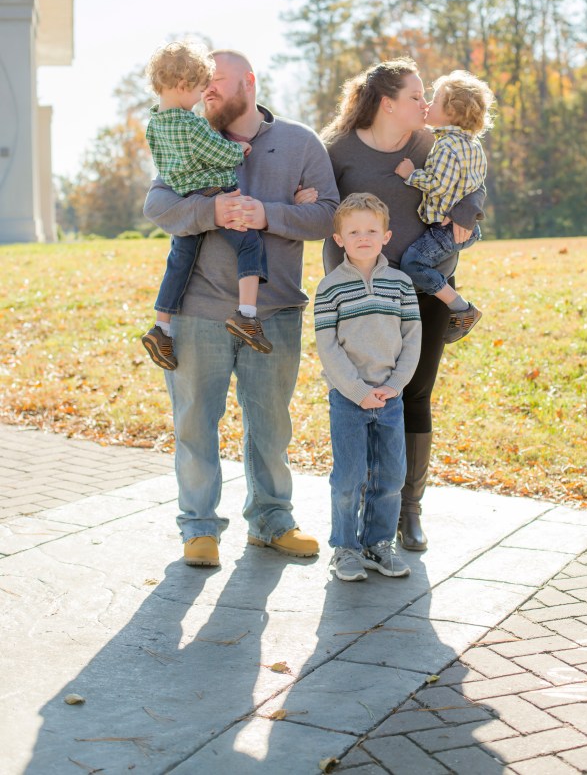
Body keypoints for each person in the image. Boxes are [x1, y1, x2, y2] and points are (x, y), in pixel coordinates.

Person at [144, 49, 339, 566]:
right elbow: (158, 206)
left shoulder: (300, 142)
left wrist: (267, 214)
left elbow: (328, 216)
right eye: (202, 84)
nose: (207, 91)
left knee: (271, 426)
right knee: (193, 423)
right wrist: (213, 209)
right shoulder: (187, 136)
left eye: (216, 82)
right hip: (197, 310)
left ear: (249, 82)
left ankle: (272, 522)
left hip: (273, 311)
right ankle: (199, 528)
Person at [322, 58, 485, 552]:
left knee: (414, 394)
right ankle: (366, 511)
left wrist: (469, 207)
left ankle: (407, 512)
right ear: (388, 103)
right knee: (361, 396)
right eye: (417, 96)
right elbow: (321, 214)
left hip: (424, 290)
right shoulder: (337, 151)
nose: (426, 104)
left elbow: (473, 178)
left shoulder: (434, 143)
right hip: (361, 297)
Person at [141, 40, 272, 372]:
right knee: (249, 243)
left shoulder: (155, 123)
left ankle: (162, 327)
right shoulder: (193, 125)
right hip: (215, 191)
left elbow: (162, 164)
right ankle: (246, 314)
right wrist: (238, 151)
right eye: (200, 89)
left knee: (179, 261)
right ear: (184, 86)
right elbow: (218, 152)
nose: (202, 96)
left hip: (184, 198)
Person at [314, 193, 422, 582]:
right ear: (339, 238)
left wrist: (395, 385)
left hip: (391, 398)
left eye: (371, 230)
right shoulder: (329, 288)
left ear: (387, 235)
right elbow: (327, 347)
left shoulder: (401, 284)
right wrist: (358, 391)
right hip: (348, 399)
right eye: (354, 231)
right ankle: (345, 548)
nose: (364, 237)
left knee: (390, 476)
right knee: (349, 477)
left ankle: (379, 544)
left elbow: (413, 339)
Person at [396, 70, 495, 343]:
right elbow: (475, 184)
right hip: (458, 228)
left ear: (451, 113)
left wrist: (410, 174)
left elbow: (438, 184)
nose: (427, 105)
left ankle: (461, 308)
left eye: (435, 101)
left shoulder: (446, 146)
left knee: (413, 263)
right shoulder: (472, 145)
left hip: (446, 230)